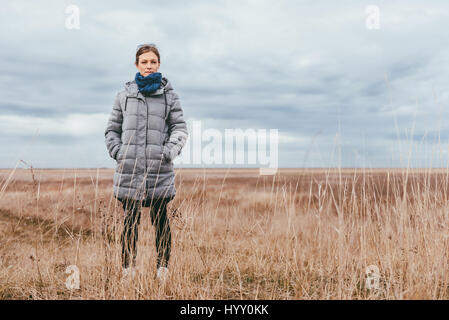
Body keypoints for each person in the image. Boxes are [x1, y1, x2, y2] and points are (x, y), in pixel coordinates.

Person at [104, 43, 188, 282]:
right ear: (137, 65)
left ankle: (163, 273)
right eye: (144, 62)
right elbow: (111, 130)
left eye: (153, 61)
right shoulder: (123, 97)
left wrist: (168, 152)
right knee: (130, 224)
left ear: (159, 64)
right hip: (129, 170)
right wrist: (119, 152)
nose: (149, 66)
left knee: (161, 222)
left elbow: (180, 129)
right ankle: (128, 273)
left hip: (159, 170)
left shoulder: (170, 96)